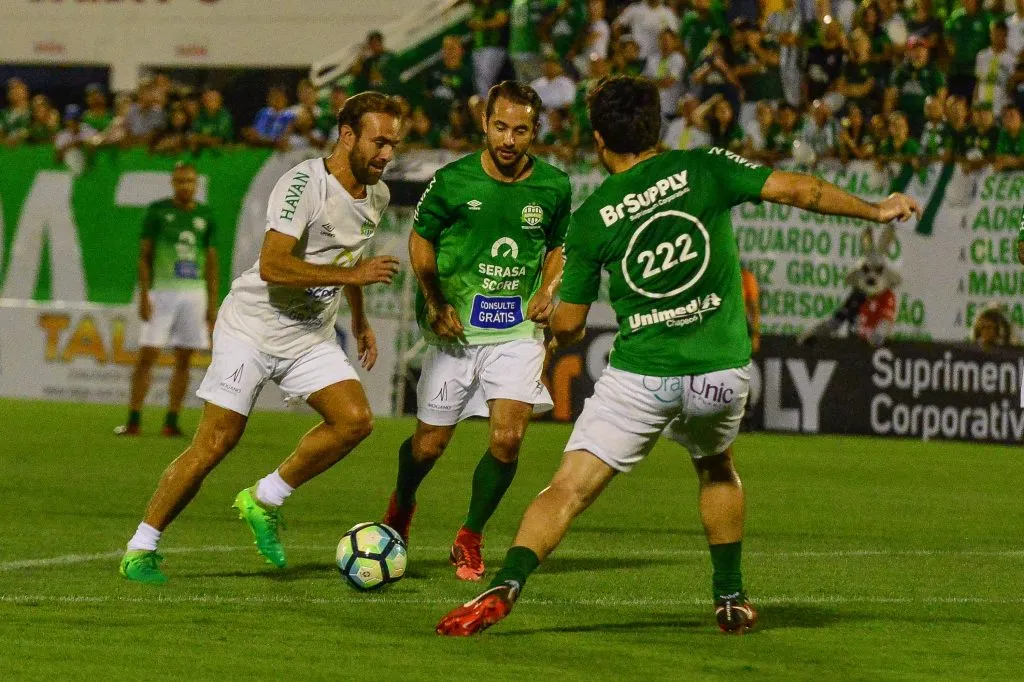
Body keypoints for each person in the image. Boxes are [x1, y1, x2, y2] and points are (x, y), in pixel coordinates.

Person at [435, 75, 920, 636]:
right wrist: (876, 210)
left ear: (599, 138)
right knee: (716, 467)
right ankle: (730, 597)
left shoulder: (593, 218)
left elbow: (569, 323)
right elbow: (799, 190)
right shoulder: (703, 167)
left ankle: (506, 584)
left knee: (567, 488)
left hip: (642, 375)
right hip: (719, 373)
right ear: (657, 128)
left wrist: (549, 327)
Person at [118, 92, 404, 584]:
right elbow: (273, 266)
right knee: (216, 442)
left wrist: (359, 319)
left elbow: (350, 259)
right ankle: (141, 547)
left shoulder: (376, 196)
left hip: (308, 335)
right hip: (252, 327)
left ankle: (264, 497)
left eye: (393, 144)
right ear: (348, 136)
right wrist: (353, 278)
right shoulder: (303, 184)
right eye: (379, 142)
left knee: (355, 421)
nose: (387, 154)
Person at [380, 81, 572, 582]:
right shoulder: (452, 181)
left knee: (507, 439)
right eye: (500, 127)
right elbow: (421, 239)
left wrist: (548, 288)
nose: (509, 139)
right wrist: (434, 300)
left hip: (517, 329)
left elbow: (558, 245)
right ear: (484, 123)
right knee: (429, 445)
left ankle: (470, 534)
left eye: (521, 130)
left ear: (536, 131)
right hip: (456, 330)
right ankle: (402, 502)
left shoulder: (554, 185)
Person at [114, 163, 218, 438]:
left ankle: (172, 421)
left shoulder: (206, 215)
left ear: (196, 184)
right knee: (147, 356)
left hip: (194, 294)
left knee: (184, 358)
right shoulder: (157, 211)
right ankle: (134, 419)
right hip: (162, 293)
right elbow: (144, 256)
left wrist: (212, 304)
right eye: (181, 181)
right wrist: (144, 295)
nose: (186, 186)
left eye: (190, 181)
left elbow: (211, 261)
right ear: (173, 183)